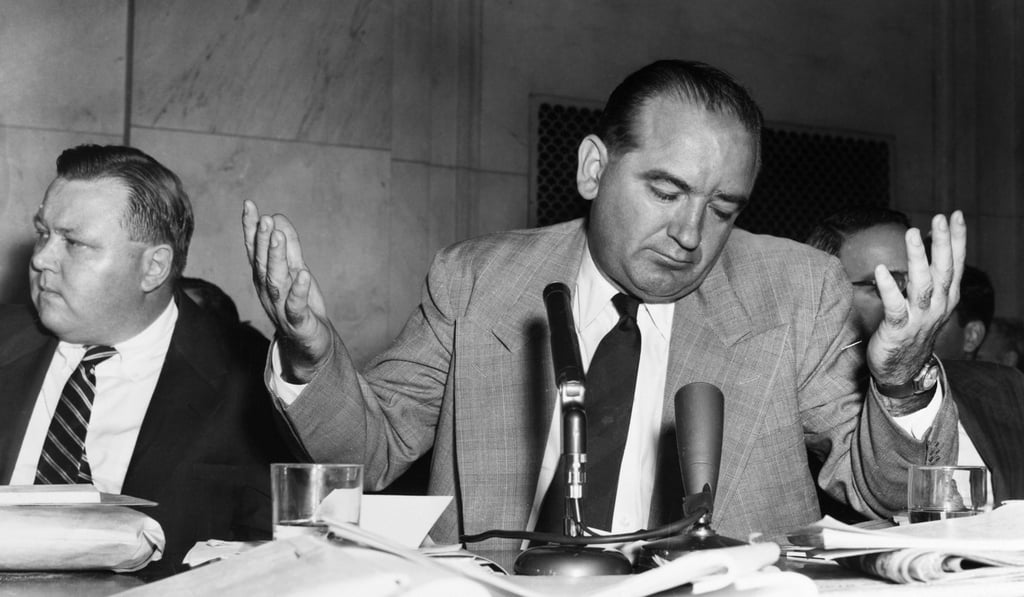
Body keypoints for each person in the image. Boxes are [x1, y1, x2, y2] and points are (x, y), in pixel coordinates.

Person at [245, 60, 964, 565]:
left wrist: (901, 383)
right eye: (665, 191)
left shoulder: (794, 289)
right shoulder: (476, 280)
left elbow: (883, 495)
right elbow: (368, 454)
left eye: (722, 208)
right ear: (593, 168)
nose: (690, 234)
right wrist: (312, 356)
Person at [0, 145, 299, 574]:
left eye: (74, 242)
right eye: (43, 233)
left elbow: (280, 563)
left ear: (153, 267)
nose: (41, 258)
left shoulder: (251, 382)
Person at [808, 207, 1024, 506]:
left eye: (918, 282)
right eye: (885, 284)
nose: (912, 300)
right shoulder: (813, 408)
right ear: (822, 297)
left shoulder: (1003, 387)